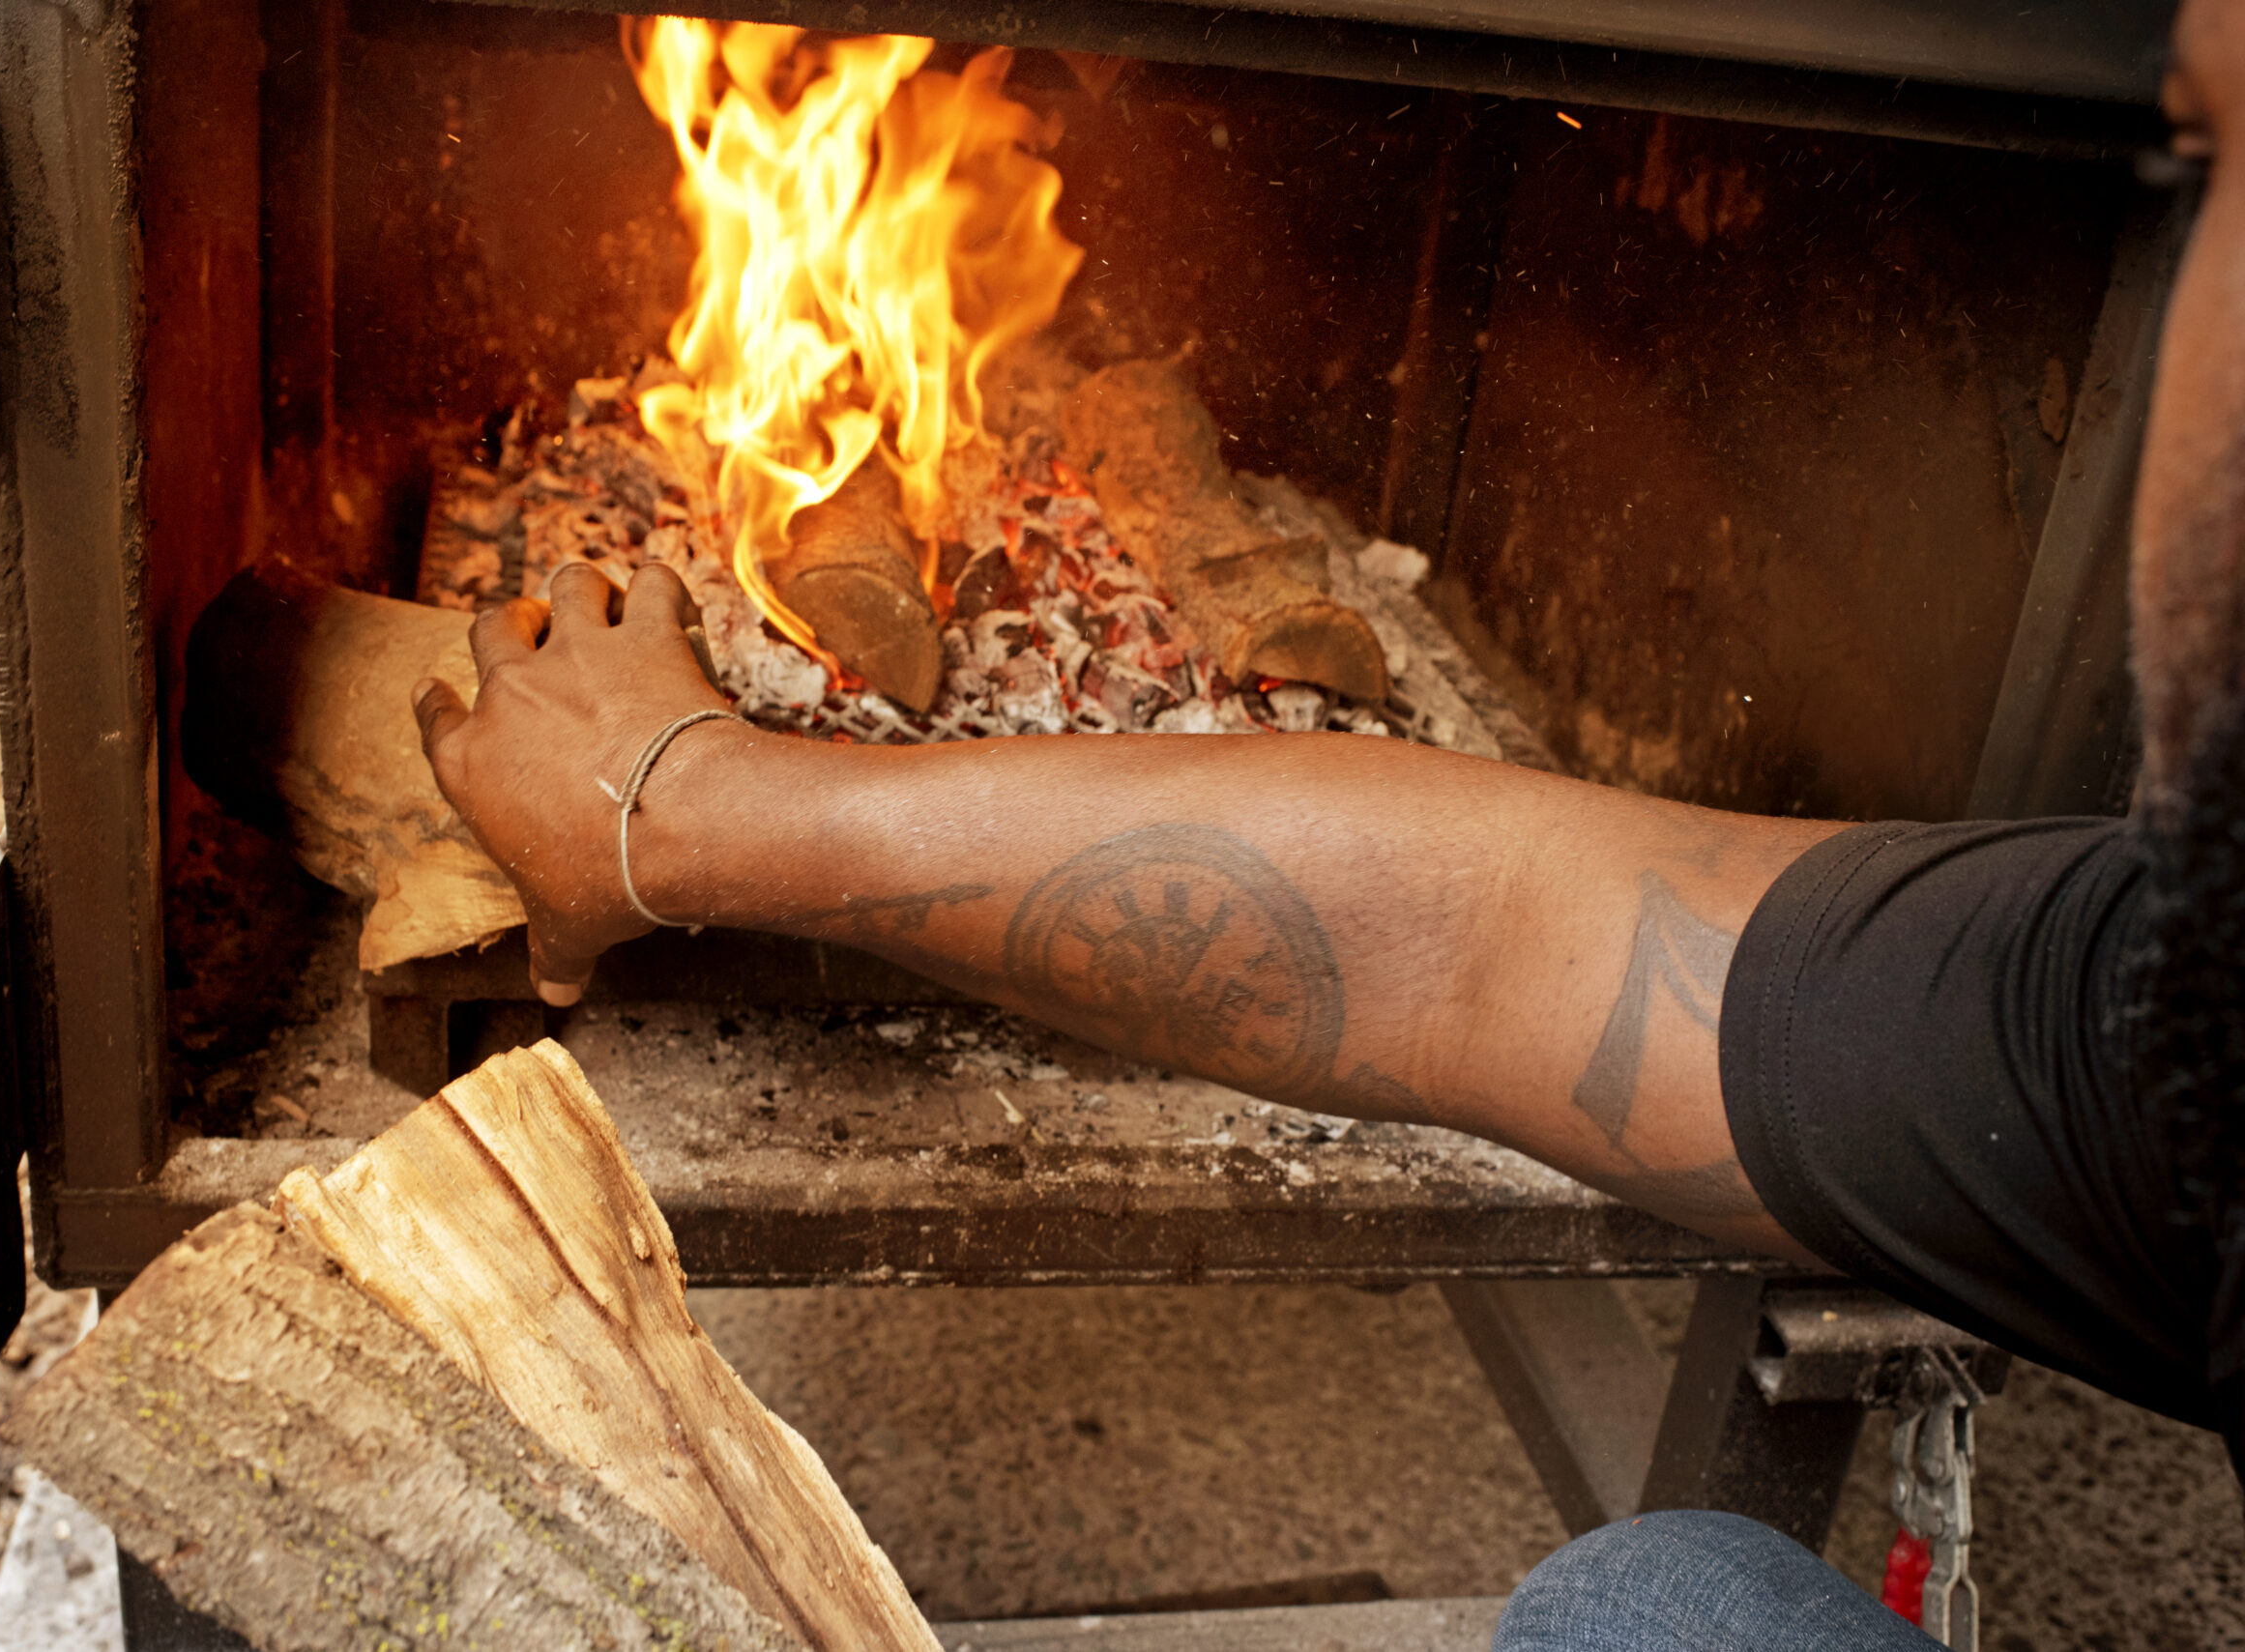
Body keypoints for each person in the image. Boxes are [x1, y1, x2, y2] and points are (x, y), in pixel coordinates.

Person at [407, 1, 2244, 1641]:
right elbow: (1505, 940)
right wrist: (694, 803)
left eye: (2215, 163)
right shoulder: (2204, 1026)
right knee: (1651, 1600)